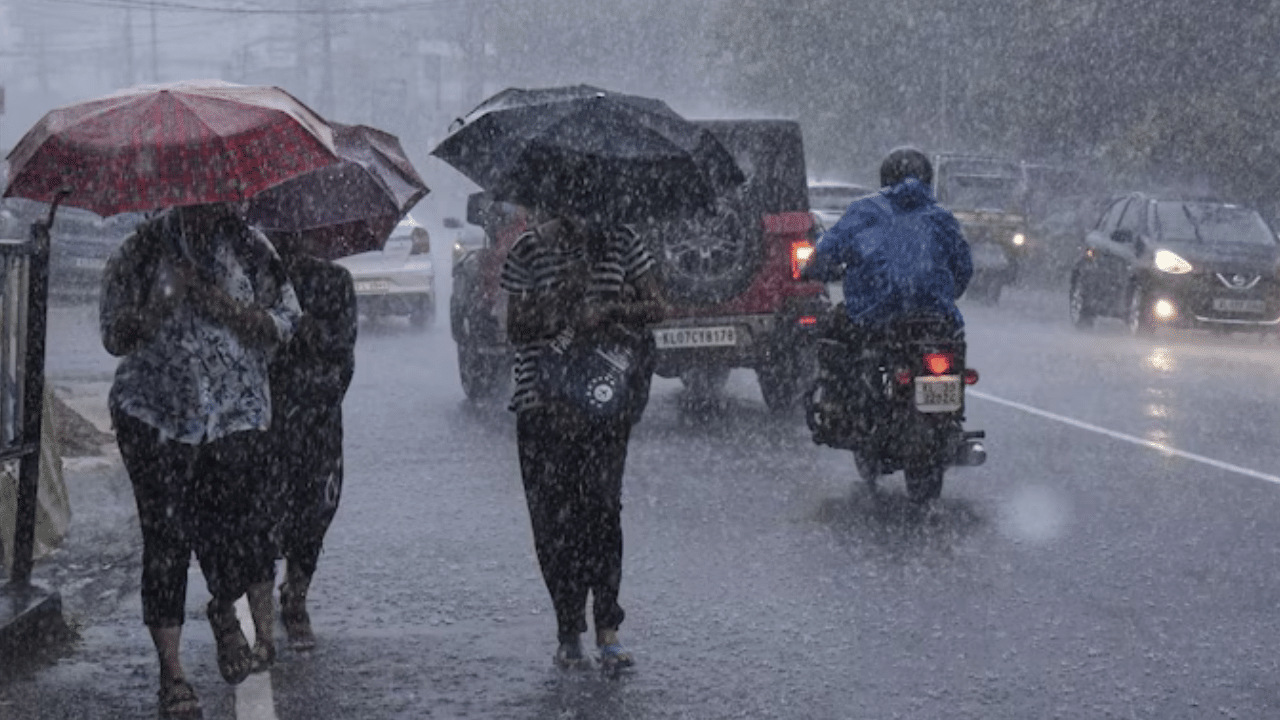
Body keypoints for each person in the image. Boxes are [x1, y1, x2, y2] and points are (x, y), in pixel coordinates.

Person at [100, 202, 301, 720]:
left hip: (236, 415)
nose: (209, 206)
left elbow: (285, 321)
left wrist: (222, 306)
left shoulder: (253, 247)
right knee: (165, 541)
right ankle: (172, 675)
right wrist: (160, 305)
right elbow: (112, 335)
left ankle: (226, 609)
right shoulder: (141, 249)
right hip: (155, 416)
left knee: (232, 530)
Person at [500, 207, 665, 670]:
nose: (573, 214)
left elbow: (656, 307)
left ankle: (607, 627)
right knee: (553, 521)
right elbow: (514, 327)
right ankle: (568, 628)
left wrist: (611, 310)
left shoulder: (622, 240)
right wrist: (561, 303)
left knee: (602, 511)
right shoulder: (528, 249)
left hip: (603, 402)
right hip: (542, 404)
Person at [800, 147, 973, 438]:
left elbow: (826, 252)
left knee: (833, 335)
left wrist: (813, 270)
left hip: (874, 316)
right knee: (953, 346)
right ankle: (950, 417)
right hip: (934, 317)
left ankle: (839, 410)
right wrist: (940, 296)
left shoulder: (863, 210)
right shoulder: (942, 217)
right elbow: (963, 268)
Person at [248, 230, 357, 652]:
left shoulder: (335, 282)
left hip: (317, 416)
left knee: (314, 509)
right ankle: (261, 599)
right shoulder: (258, 279)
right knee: (263, 510)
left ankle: (297, 595)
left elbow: (344, 352)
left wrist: (313, 342)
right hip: (265, 416)